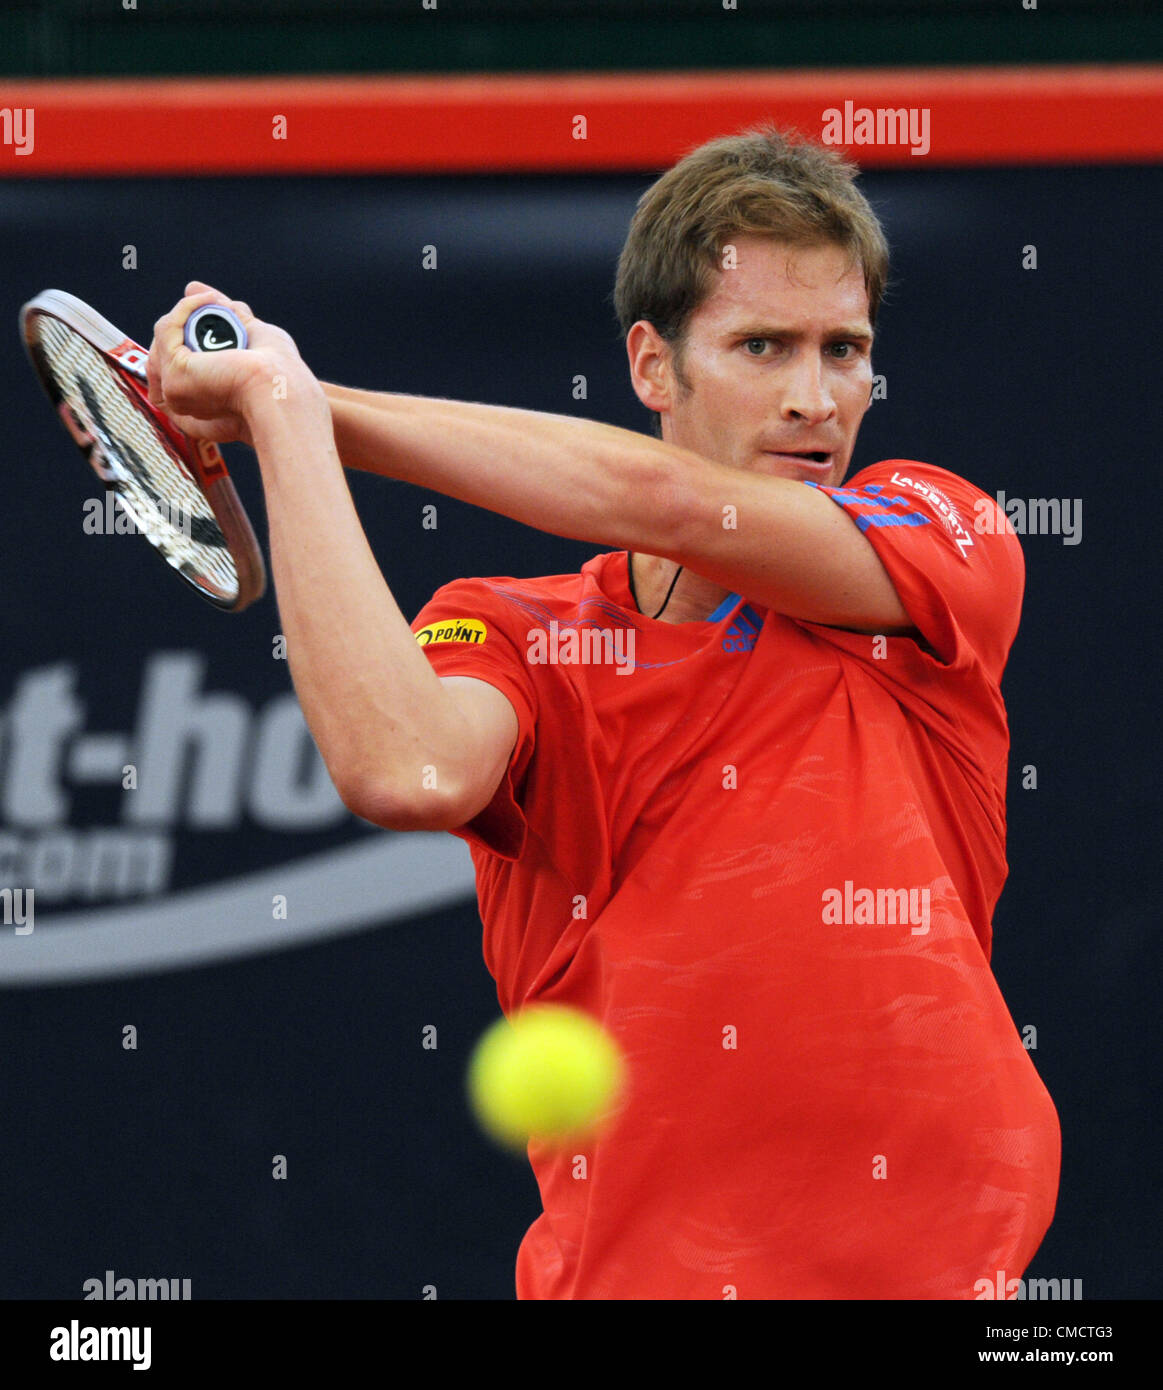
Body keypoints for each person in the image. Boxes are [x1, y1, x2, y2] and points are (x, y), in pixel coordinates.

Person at [148, 124, 1060, 1300]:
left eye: (845, 350)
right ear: (649, 366)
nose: (812, 397)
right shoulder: (518, 634)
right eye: (762, 345)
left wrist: (298, 398)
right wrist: (278, 419)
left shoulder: (943, 543)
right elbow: (408, 773)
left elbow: (670, 503)